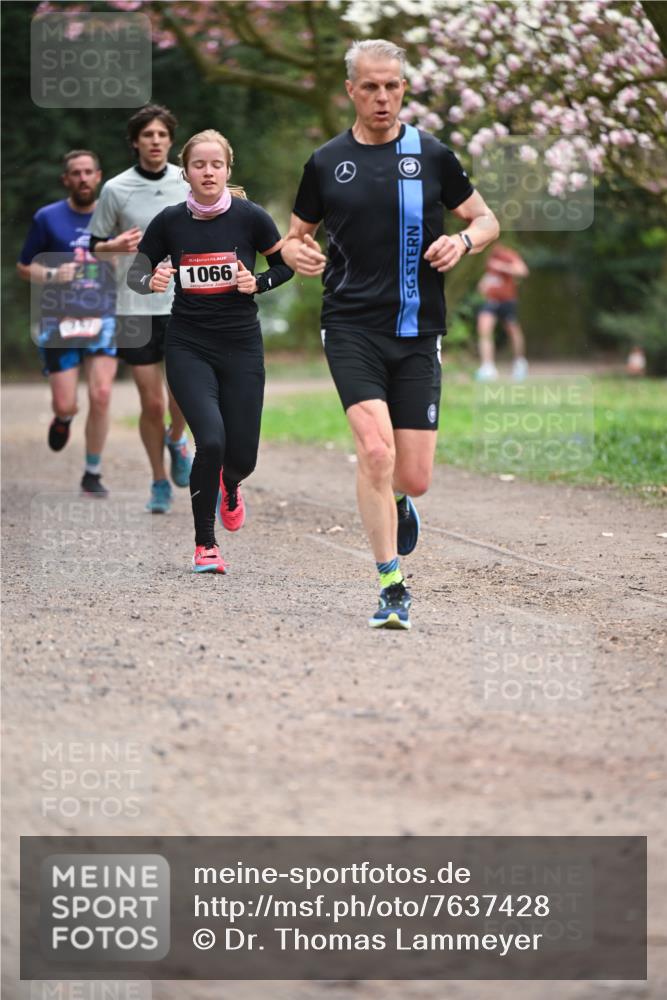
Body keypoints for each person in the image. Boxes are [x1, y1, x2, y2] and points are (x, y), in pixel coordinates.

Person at [282, 39, 499, 630]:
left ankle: (401, 500)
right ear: (350, 91)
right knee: (376, 452)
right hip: (350, 325)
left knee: (414, 477)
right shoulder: (326, 162)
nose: (383, 97)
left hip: (417, 329)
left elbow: (487, 219)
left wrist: (464, 240)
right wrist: (297, 252)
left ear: (403, 89)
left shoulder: (431, 154)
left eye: (393, 86)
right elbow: (295, 236)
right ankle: (391, 584)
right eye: (371, 87)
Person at [127, 129, 293, 572]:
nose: (208, 171)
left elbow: (284, 266)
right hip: (189, 344)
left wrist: (258, 282)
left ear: (227, 169)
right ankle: (205, 544)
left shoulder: (251, 217)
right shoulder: (169, 222)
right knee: (211, 440)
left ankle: (231, 485)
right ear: (186, 172)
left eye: (216, 164)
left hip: (241, 345)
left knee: (242, 458)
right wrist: (150, 281)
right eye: (199, 164)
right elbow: (134, 275)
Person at [89, 104, 193, 514]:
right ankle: (158, 480)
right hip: (132, 306)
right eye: (148, 135)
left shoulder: (187, 183)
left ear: (171, 141)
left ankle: (177, 438)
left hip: (182, 302)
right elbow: (94, 247)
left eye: (162, 135)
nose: (155, 141)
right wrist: (113, 246)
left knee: (182, 394)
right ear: (135, 142)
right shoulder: (115, 188)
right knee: (151, 403)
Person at [17, 150, 117, 497]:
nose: (83, 178)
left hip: (104, 316)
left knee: (101, 394)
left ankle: (93, 472)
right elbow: (24, 266)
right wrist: (52, 274)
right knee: (65, 403)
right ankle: (63, 418)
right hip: (59, 319)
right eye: (76, 173)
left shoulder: (113, 217)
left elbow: (132, 262)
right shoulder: (47, 218)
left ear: (98, 176)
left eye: (89, 172)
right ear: (66, 180)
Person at [475, 243, 529, 382]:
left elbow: (522, 271)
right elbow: (491, 276)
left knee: (513, 330)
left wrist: (501, 266)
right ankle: (487, 367)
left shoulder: (507, 254)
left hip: (507, 300)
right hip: (491, 300)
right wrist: (483, 284)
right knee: (484, 329)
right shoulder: (486, 256)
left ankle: (519, 363)